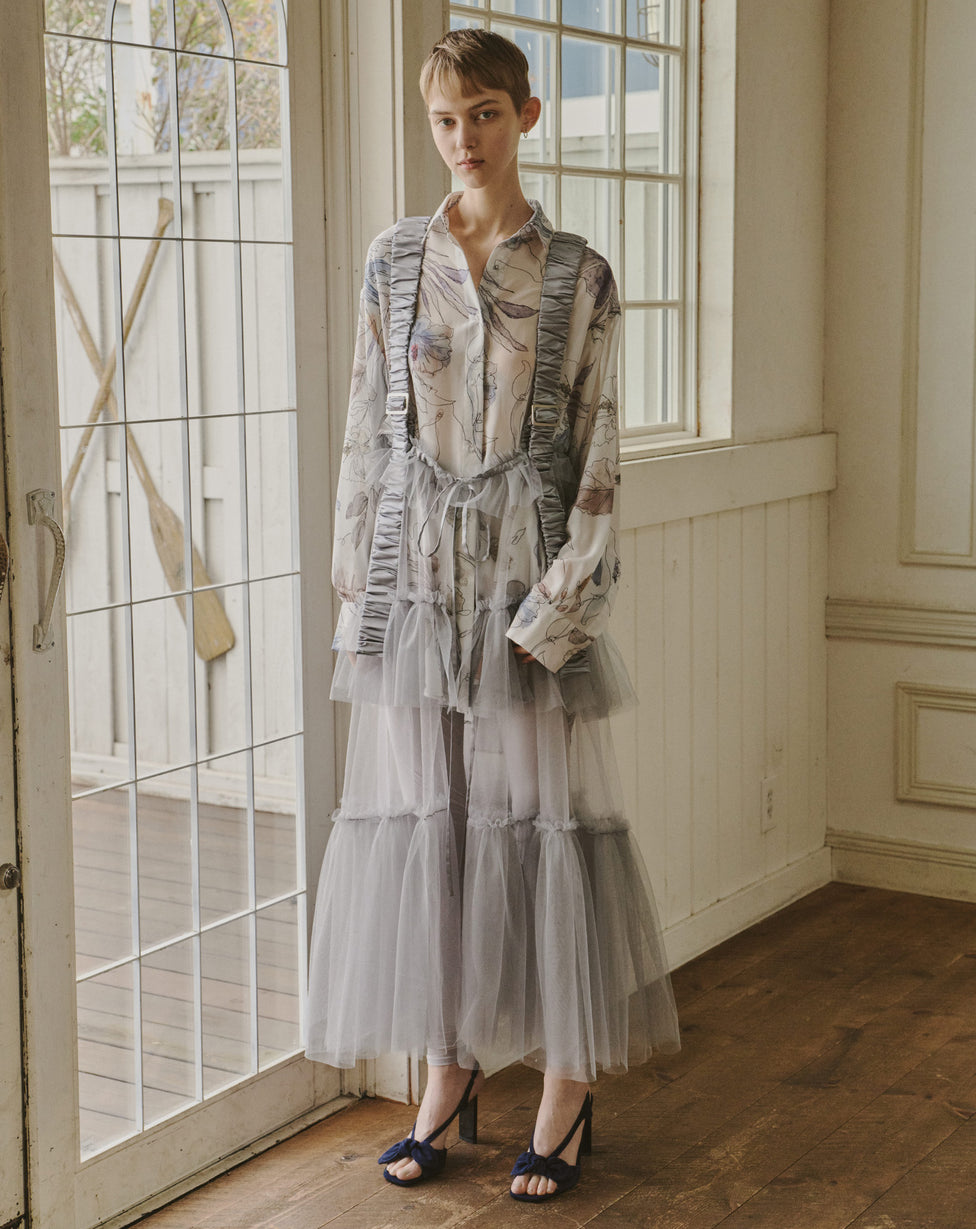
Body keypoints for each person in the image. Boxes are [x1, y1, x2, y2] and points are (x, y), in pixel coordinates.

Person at [305, 27, 680, 1203]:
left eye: (483, 113)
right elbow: (366, 430)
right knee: (436, 831)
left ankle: (565, 1086)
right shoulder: (392, 263)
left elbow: (599, 453)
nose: (462, 138)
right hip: (416, 590)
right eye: (444, 118)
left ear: (525, 115)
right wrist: (356, 592)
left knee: (546, 826)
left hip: (524, 584)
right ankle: (448, 1069)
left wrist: (563, 607)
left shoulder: (579, 275)